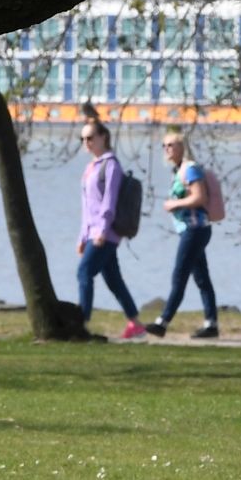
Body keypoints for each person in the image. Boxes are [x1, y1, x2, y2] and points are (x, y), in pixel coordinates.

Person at [75, 119, 146, 339]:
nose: (86, 142)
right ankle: (136, 325)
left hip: (105, 233)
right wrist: (82, 236)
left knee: (84, 272)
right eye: (83, 139)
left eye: (90, 138)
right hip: (92, 233)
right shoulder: (91, 167)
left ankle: (81, 322)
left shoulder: (111, 165)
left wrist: (102, 232)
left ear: (103, 138)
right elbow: (87, 206)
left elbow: (108, 203)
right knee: (114, 280)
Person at [145, 130, 218, 339]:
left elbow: (200, 197)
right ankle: (211, 324)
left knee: (180, 275)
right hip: (190, 230)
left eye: (171, 145)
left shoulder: (190, 169)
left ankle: (163, 322)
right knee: (202, 277)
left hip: (196, 230)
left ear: (182, 147)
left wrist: (174, 204)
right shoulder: (178, 171)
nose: (166, 149)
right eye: (164, 145)